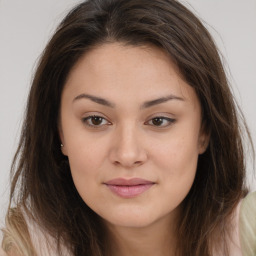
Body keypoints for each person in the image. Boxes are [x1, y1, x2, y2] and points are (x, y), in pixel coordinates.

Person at [1, 0, 255, 255]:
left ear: (204, 131)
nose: (127, 155)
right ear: (59, 131)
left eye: (159, 121)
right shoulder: (26, 247)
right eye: (96, 120)